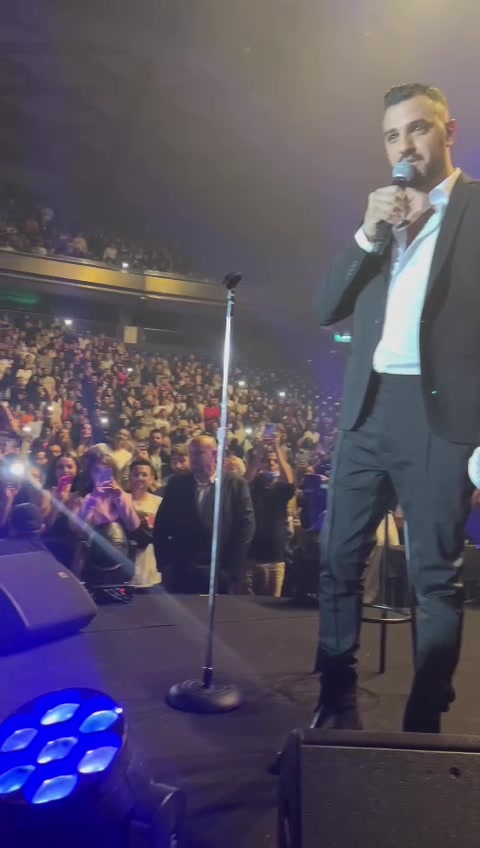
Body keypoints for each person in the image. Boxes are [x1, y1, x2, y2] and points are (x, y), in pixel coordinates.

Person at [313, 83, 480, 734]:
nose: (404, 145)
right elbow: (326, 307)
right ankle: (336, 702)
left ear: (449, 131)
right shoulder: (381, 220)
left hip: (441, 419)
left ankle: (423, 724)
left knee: (434, 578)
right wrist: (366, 232)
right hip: (368, 409)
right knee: (337, 561)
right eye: (391, 135)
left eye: (418, 129)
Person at [153, 435, 255, 593]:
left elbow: (246, 528)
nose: (193, 458)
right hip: (181, 572)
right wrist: (164, 564)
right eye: (191, 453)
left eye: (199, 453)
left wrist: (230, 570)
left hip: (219, 572)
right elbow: (161, 525)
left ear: (214, 455)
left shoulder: (235, 485)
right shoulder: (177, 484)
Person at [245, 436, 295, 596]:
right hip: (250, 557)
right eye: (268, 461)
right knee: (244, 604)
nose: (271, 464)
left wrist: (277, 448)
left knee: (270, 604)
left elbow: (289, 480)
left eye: (274, 461)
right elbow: (246, 479)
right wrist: (260, 452)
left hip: (275, 558)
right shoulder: (254, 486)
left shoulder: (281, 489)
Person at [128, 459, 162, 589]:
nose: (140, 478)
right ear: (129, 477)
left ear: (151, 478)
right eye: (136, 475)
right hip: (128, 561)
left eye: (144, 475)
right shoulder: (122, 500)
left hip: (150, 567)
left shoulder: (159, 503)